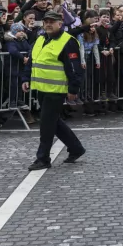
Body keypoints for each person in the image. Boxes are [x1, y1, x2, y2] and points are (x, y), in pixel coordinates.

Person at [26, 12, 85, 170]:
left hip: (56, 89)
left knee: (46, 124)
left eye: (52, 22)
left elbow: (74, 68)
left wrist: (73, 88)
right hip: (41, 88)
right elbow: (32, 60)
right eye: (46, 22)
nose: (48, 24)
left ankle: (43, 158)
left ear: (61, 23)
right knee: (53, 122)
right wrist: (26, 78)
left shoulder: (68, 41)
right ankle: (76, 148)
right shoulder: (40, 39)